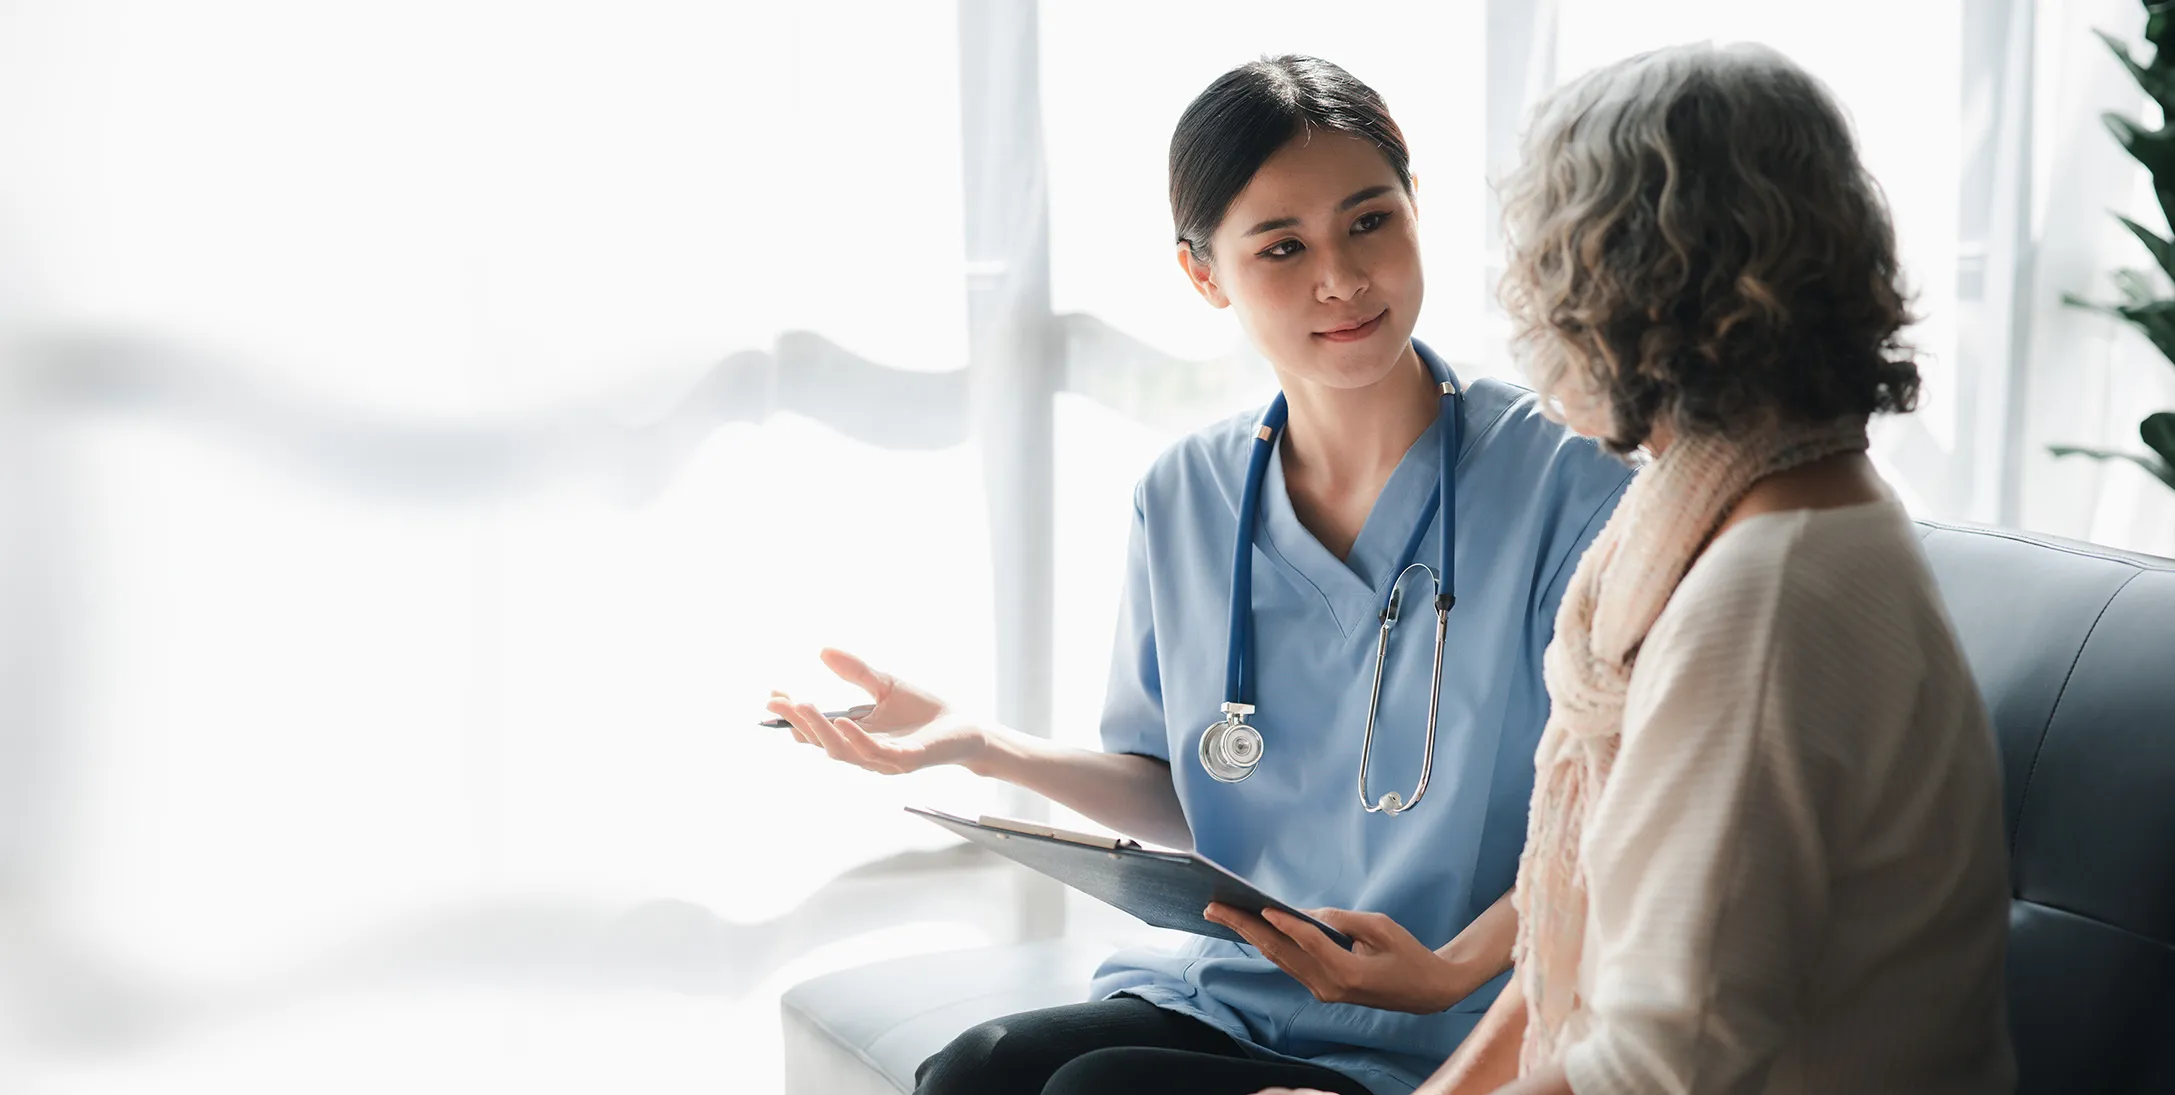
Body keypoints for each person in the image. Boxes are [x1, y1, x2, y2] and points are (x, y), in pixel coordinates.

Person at [766, 55, 1631, 1095]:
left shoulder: (1565, 481)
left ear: (1416, 210)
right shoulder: (1185, 495)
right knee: (975, 1071)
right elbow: (1195, 790)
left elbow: (1624, 809)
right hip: (1240, 997)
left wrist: (1454, 973)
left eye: (1370, 221)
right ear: (1204, 273)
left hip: (1457, 1024)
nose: (1342, 278)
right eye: (1282, 247)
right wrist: (979, 744)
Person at [1385, 42, 2013, 1095]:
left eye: (1544, 258)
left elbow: (1657, 1066)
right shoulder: (1781, 510)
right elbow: (1585, 958)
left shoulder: (1762, 601)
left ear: (1616, 285)